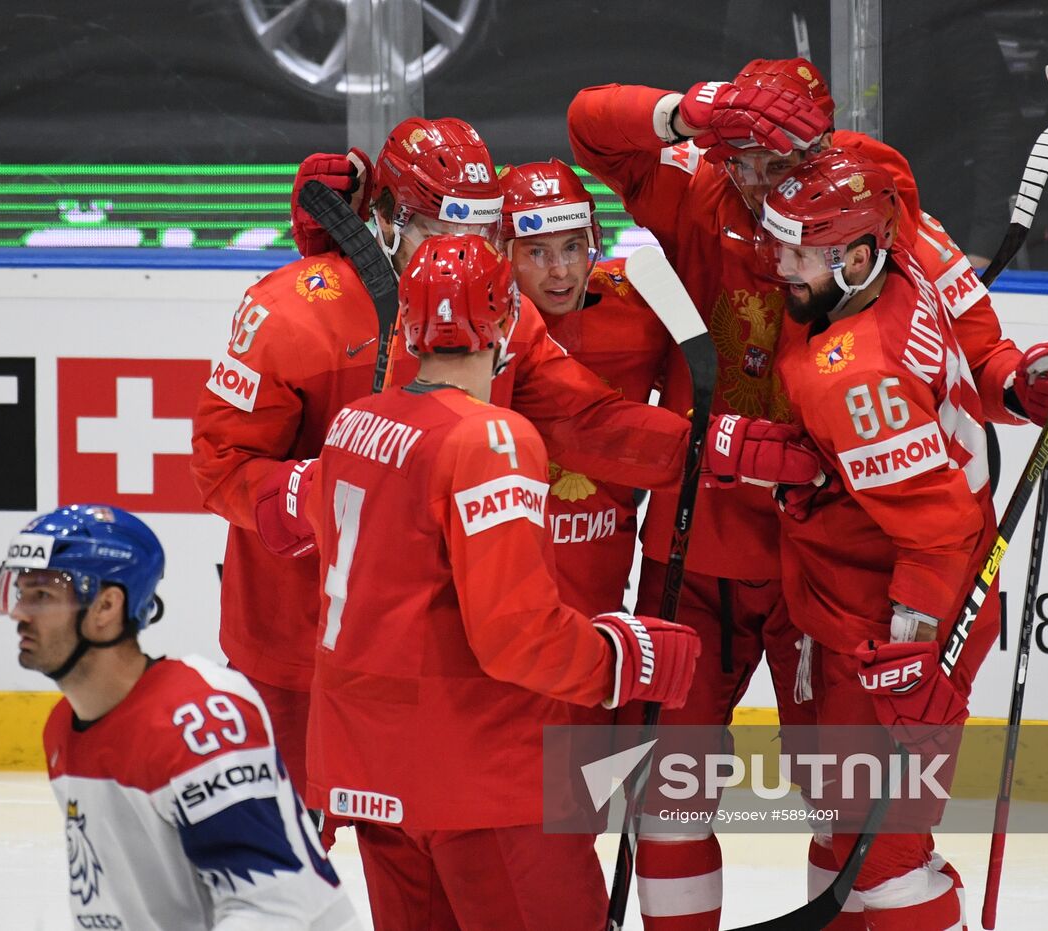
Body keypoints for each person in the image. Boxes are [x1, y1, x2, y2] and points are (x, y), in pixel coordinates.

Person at [568, 58, 1048, 929]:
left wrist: (1025, 385)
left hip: (817, 570)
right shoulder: (707, 181)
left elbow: (978, 355)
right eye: (740, 157)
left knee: (847, 813)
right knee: (669, 795)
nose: (755, 182)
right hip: (701, 545)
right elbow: (590, 122)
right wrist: (693, 110)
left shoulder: (870, 199)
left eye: (777, 162)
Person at [191, 116, 689, 808]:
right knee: (284, 882)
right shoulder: (293, 314)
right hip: (298, 646)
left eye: (482, 233)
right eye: (440, 230)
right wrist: (324, 490)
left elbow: (584, 422)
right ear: (388, 217)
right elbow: (220, 467)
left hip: (429, 662)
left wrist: (709, 456)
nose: (462, 253)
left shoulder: (503, 309)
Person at [303, 234, 701, 931]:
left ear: (407, 323)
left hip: (369, 769)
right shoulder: (491, 439)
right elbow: (518, 637)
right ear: (504, 321)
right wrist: (624, 658)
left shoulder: (351, 426)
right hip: (479, 778)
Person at [743, 149, 1001, 930]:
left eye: (798, 252)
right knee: (837, 824)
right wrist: (1016, 376)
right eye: (777, 240)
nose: (777, 264)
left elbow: (942, 533)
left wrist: (918, 647)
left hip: (898, 627)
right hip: (844, 605)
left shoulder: (853, 376)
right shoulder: (902, 235)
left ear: (856, 257)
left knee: (886, 861)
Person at [0, 503, 359, 931]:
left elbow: (272, 909)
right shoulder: (63, 729)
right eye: (20, 593)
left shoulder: (201, 722)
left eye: (42, 596)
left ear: (107, 606)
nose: (18, 613)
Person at [498, 158, 674, 617]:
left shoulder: (638, 305)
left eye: (573, 247)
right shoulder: (474, 324)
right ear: (503, 252)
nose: (560, 270)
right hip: (503, 578)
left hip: (601, 573)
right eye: (537, 252)